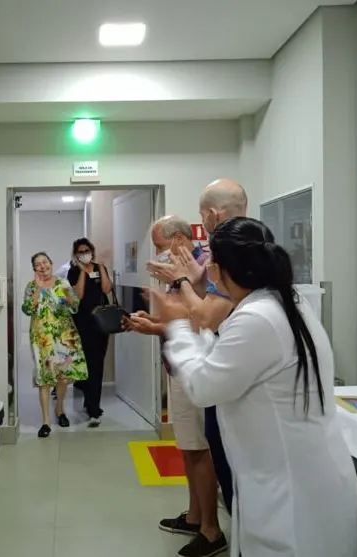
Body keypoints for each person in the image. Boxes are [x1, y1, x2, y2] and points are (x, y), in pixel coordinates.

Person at [153, 217, 357, 557]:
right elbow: (224, 354)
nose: (207, 273)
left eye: (211, 266)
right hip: (294, 482)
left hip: (293, 499)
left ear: (226, 271)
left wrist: (177, 326)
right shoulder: (278, 303)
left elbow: (203, 385)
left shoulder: (258, 318)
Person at [126, 215, 228, 557]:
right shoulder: (179, 276)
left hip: (196, 369)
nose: (159, 255)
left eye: (161, 247)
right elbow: (177, 317)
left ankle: (211, 531)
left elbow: (196, 322)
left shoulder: (203, 270)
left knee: (199, 448)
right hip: (180, 366)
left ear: (181, 240)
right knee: (187, 446)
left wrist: (156, 327)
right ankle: (195, 515)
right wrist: (152, 320)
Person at [148, 178, 248, 514]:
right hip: (214, 370)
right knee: (205, 451)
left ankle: (209, 527)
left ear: (212, 215)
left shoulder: (229, 257)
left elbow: (205, 318)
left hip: (215, 371)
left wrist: (179, 286)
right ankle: (202, 520)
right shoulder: (219, 264)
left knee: (213, 453)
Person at [21, 251, 88, 438]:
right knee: (44, 378)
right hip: (42, 338)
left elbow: (74, 306)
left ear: (51, 263)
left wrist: (68, 298)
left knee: (62, 377)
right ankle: (45, 422)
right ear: (34, 269)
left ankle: (59, 410)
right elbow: (28, 309)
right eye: (38, 264)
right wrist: (37, 288)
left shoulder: (62, 283)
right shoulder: (31, 286)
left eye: (45, 262)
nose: (42, 266)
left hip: (64, 335)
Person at [66, 238, 112, 427]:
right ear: (76, 254)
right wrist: (83, 272)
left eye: (87, 250)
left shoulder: (100, 267)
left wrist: (100, 267)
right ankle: (92, 406)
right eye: (80, 251)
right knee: (87, 363)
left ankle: (93, 404)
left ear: (92, 251)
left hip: (101, 323)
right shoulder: (73, 271)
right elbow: (78, 295)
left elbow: (107, 289)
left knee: (98, 363)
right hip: (83, 323)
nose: (84, 253)